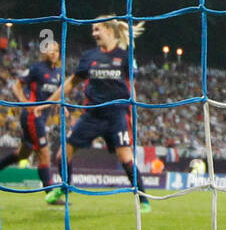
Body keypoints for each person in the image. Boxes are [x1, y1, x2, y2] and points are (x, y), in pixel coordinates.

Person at [44, 19, 149, 212]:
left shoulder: (125, 57)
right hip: (91, 113)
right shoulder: (89, 56)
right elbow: (72, 82)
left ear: (109, 30)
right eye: (92, 29)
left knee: (126, 157)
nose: (93, 33)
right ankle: (64, 188)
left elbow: (130, 85)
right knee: (62, 154)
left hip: (116, 114)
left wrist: (132, 113)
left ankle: (143, 200)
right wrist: (53, 100)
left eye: (97, 29)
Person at [0, 40, 62, 194]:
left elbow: (55, 96)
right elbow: (16, 86)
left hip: (42, 118)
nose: (54, 53)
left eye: (56, 50)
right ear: (44, 52)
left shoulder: (59, 73)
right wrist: (25, 102)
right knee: (44, 152)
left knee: (22, 155)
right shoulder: (36, 68)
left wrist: (62, 106)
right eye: (51, 50)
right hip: (31, 117)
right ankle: (51, 193)